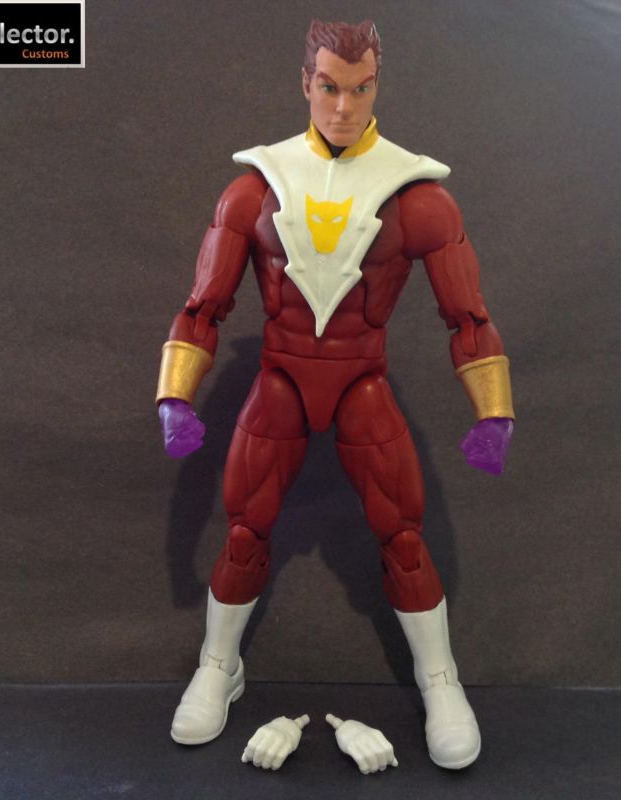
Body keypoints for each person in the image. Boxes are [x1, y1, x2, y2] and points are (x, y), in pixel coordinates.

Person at [156, 18, 514, 770]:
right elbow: (203, 305)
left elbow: (468, 316)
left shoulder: (417, 197)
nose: (344, 106)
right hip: (281, 379)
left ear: (377, 86)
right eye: (329, 87)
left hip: (361, 381)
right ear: (305, 84)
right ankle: (219, 665)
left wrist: (493, 412)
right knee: (245, 528)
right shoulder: (255, 188)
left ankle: (440, 679)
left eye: (360, 88)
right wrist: (176, 394)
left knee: (403, 536)